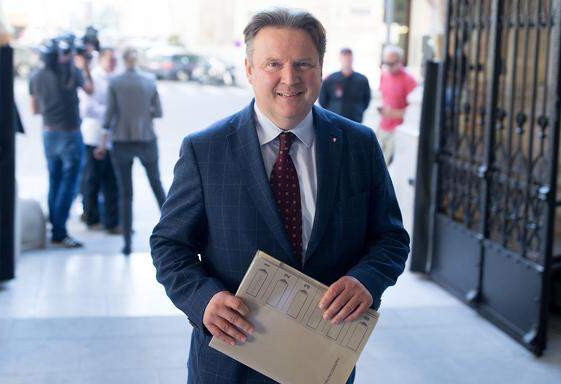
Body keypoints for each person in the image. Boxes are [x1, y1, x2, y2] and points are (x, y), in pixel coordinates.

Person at [150, 8, 409, 384]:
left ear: (321, 67)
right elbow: (169, 245)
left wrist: (366, 281)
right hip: (230, 366)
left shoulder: (359, 144)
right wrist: (203, 299)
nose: (290, 78)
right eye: (273, 63)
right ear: (249, 70)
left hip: (323, 365)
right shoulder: (205, 150)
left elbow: (391, 238)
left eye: (303, 63)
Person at [100, 47, 166, 255]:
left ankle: (127, 244)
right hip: (146, 138)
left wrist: (102, 142)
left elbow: (109, 115)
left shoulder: (115, 82)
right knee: (157, 186)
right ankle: (175, 234)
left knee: (126, 194)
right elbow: (158, 112)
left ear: (122, 60)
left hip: (121, 141)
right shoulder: (149, 81)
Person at [30, 37, 94, 248]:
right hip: (70, 134)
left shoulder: (36, 76)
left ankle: (56, 228)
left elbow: (35, 110)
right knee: (69, 184)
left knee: (55, 181)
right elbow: (89, 89)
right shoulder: (70, 73)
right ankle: (59, 231)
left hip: (49, 134)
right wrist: (83, 65)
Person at [79, 48, 120, 233]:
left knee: (112, 182)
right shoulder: (93, 79)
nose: (113, 63)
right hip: (94, 136)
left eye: (115, 60)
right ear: (102, 59)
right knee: (92, 180)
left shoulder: (116, 79)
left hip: (113, 137)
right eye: (110, 60)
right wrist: (110, 112)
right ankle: (91, 217)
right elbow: (86, 108)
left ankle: (112, 222)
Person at [377, 45, 418, 165]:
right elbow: (384, 97)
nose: (388, 66)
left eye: (392, 63)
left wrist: (395, 113)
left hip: (398, 131)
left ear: (400, 61)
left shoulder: (409, 80)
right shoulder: (384, 76)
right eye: (386, 63)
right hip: (383, 127)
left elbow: (414, 111)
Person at [319, 47, 371, 123]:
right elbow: (323, 101)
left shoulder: (362, 80)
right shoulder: (330, 79)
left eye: (349, 58)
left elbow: (366, 100)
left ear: (352, 59)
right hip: (334, 121)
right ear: (340, 59)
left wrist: (359, 111)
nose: (347, 61)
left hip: (355, 121)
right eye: (344, 58)